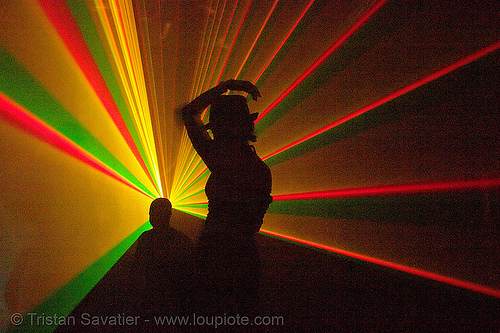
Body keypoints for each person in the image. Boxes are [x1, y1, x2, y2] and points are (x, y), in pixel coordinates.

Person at [181, 80, 273, 316]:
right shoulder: (260, 169)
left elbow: (190, 113)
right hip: (244, 257)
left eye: (215, 128)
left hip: (215, 255)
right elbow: (254, 221)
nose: (212, 133)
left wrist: (227, 85)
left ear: (221, 127)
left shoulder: (222, 160)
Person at [135, 198, 194, 318]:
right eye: (151, 213)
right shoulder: (182, 239)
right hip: (173, 301)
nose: (151, 216)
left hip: (158, 299)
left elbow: (138, 269)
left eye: (153, 212)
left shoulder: (146, 239)